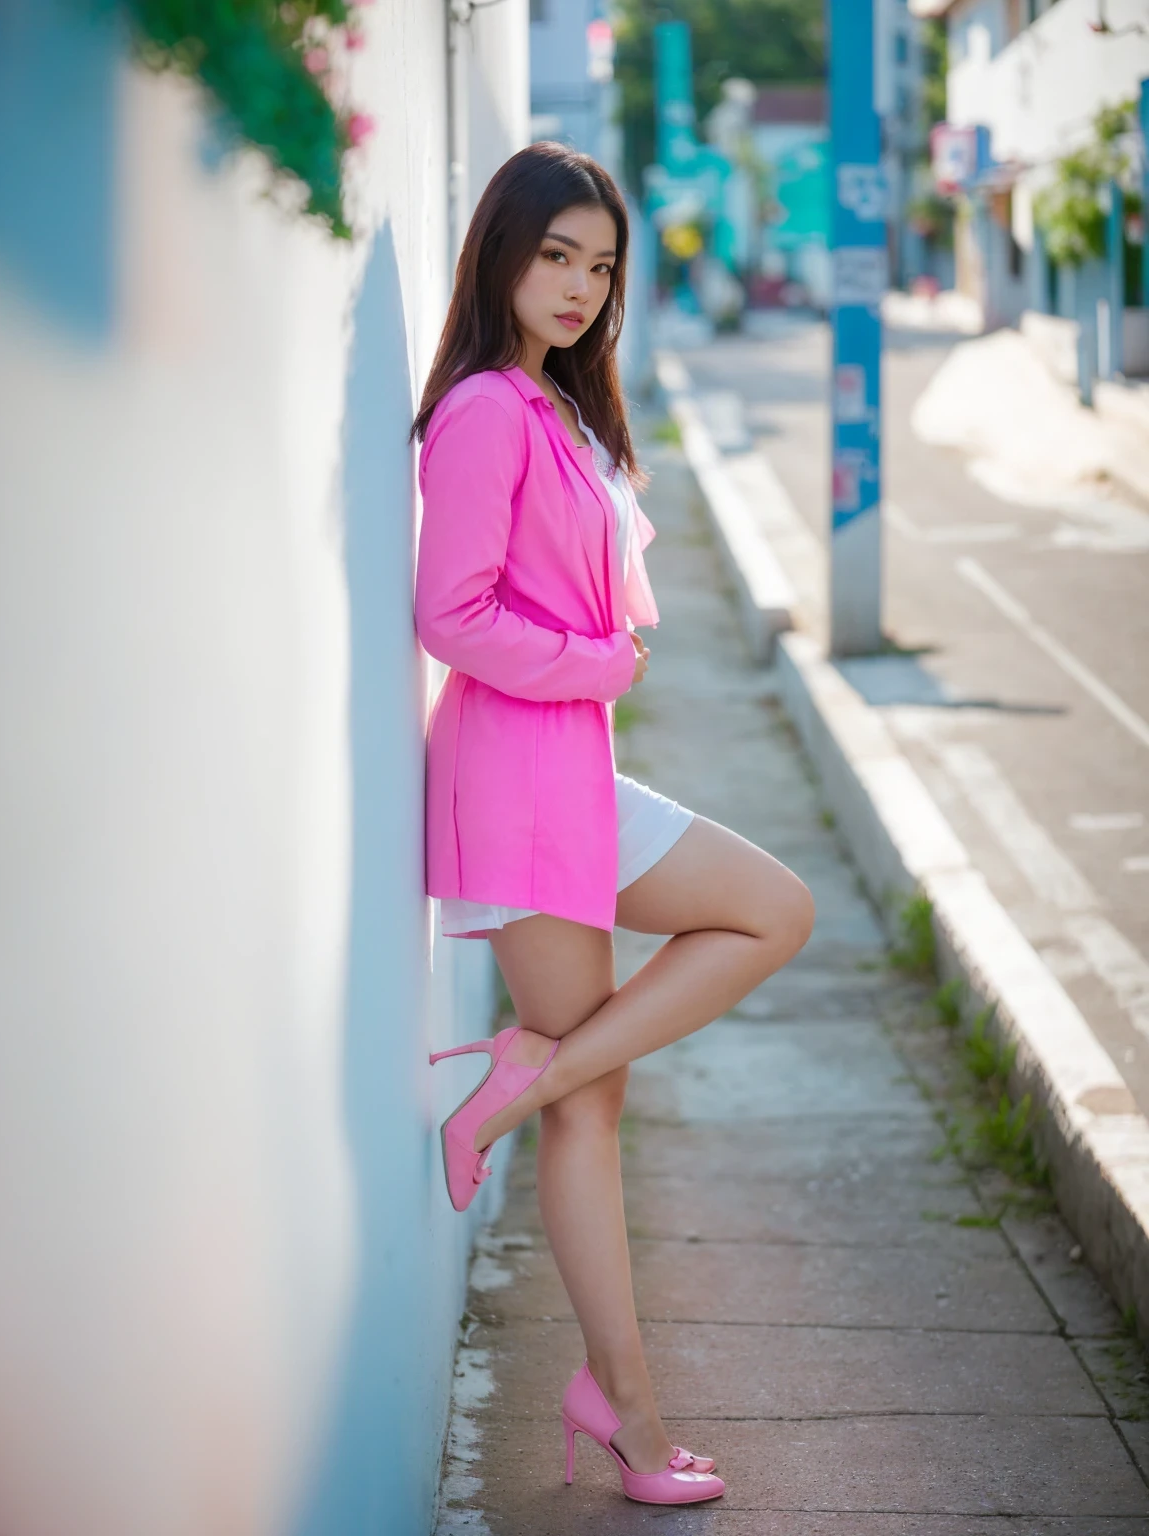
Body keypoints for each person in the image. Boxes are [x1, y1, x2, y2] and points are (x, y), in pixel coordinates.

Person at [412, 142, 814, 1508]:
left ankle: (528, 1081)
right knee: (622, 1068)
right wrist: (600, 666)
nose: (581, 285)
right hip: (518, 778)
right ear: (503, 257)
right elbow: (450, 614)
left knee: (735, 945)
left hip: (563, 766)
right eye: (556, 256)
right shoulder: (480, 408)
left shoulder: (553, 403)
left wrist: (599, 659)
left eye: (600, 263)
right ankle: (630, 1415)